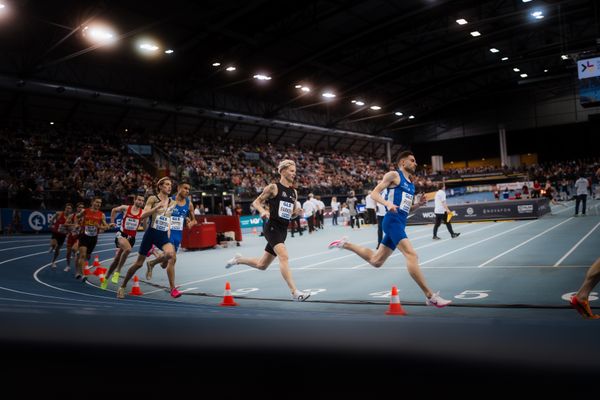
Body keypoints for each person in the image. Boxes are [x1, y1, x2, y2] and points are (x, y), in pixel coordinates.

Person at [328, 151, 452, 308]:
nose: (415, 163)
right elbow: (374, 193)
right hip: (391, 221)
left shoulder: (412, 185)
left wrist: (418, 205)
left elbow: (407, 210)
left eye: (415, 161)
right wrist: (387, 204)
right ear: (402, 162)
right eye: (412, 161)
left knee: (376, 261)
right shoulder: (394, 175)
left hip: (400, 222)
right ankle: (430, 296)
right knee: (412, 255)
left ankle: (345, 244)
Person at [225, 160, 311, 301]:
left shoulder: (293, 192)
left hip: (283, 230)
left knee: (262, 265)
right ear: (282, 171)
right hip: (272, 227)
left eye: (295, 171)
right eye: (291, 171)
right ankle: (295, 292)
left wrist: (297, 212)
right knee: (284, 256)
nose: (294, 174)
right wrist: (262, 211)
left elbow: (291, 214)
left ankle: (238, 260)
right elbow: (256, 202)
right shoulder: (273, 188)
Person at [117, 177, 177, 299]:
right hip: (151, 234)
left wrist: (169, 230)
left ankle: (155, 267)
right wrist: (156, 208)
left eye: (170, 185)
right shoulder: (153, 199)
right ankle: (122, 287)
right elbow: (142, 215)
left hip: (163, 235)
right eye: (166, 184)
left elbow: (168, 218)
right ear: (160, 186)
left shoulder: (172, 202)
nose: (169, 187)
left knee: (170, 254)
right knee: (138, 264)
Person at [145, 181, 197, 298]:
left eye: (188, 189)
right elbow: (159, 214)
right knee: (172, 258)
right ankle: (172, 289)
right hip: (167, 233)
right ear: (178, 188)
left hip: (178, 235)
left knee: (164, 264)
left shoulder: (189, 204)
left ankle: (152, 259)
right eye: (185, 188)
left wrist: (189, 222)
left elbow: (194, 220)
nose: (187, 191)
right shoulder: (169, 200)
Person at [102, 194, 147, 289]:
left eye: (142, 201)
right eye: (139, 200)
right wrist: (112, 221)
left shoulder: (143, 213)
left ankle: (106, 278)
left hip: (132, 238)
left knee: (116, 259)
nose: (140, 202)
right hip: (121, 235)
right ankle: (117, 272)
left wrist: (145, 222)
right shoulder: (126, 208)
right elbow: (114, 210)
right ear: (135, 200)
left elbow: (145, 228)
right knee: (128, 250)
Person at [75, 197, 110, 282]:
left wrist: (100, 227)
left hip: (93, 238)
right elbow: (77, 216)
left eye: (100, 203)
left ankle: (79, 269)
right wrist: (76, 224)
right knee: (83, 255)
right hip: (84, 236)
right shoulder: (85, 211)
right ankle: (82, 274)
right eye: (97, 202)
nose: (98, 204)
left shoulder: (101, 214)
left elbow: (107, 227)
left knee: (87, 256)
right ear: (92, 202)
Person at [48, 203, 73, 269]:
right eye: (67, 208)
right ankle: (52, 247)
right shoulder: (59, 213)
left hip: (63, 235)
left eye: (70, 208)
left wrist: (69, 231)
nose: (68, 209)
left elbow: (70, 227)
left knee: (57, 249)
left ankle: (53, 262)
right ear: (65, 208)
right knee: (53, 244)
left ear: (71, 210)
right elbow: (52, 219)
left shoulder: (70, 217)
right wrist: (51, 224)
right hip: (56, 232)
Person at [64, 202, 84, 272]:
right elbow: (65, 224)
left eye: (82, 207)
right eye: (79, 207)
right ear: (77, 208)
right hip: (71, 235)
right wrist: (74, 224)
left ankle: (78, 269)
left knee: (75, 249)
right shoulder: (72, 216)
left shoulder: (85, 216)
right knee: (68, 252)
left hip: (79, 236)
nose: (80, 208)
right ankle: (68, 266)